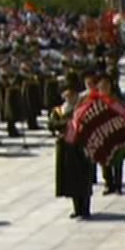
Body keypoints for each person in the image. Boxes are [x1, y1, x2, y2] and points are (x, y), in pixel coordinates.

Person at [48, 79, 94, 219]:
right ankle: (76, 208)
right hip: (66, 148)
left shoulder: (83, 108)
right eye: (67, 96)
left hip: (81, 147)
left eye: (72, 95)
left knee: (83, 178)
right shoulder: (59, 110)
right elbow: (52, 124)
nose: (69, 98)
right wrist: (66, 123)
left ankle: (85, 208)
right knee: (71, 179)